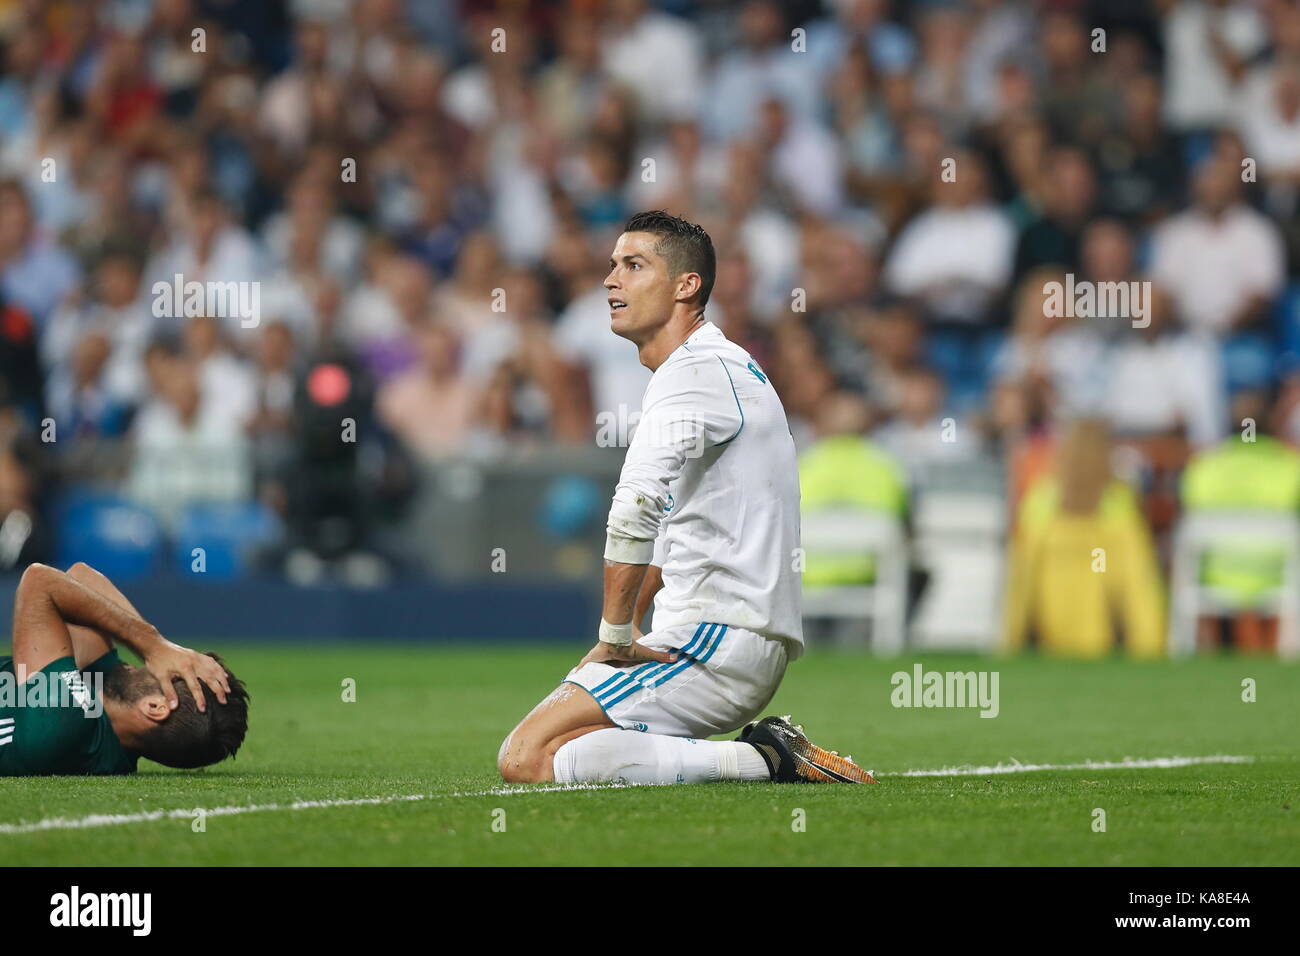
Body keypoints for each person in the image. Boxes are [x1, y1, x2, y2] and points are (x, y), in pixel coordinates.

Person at [497, 211, 874, 786]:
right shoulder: (713, 367)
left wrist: (615, 637)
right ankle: (768, 757)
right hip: (729, 634)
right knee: (575, 750)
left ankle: (769, 760)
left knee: (526, 758)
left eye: (633, 264)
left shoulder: (695, 372)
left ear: (686, 285)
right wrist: (626, 635)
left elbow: (635, 507)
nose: (610, 280)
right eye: (612, 265)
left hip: (716, 635)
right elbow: (669, 535)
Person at [1, 561, 248, 775]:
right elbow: (80, 577)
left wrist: (153, 645)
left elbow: (40, 581)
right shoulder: (110, 729)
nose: (164, 664)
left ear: (155, 707)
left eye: (174, 675)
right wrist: (156, 646)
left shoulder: (64, 722)